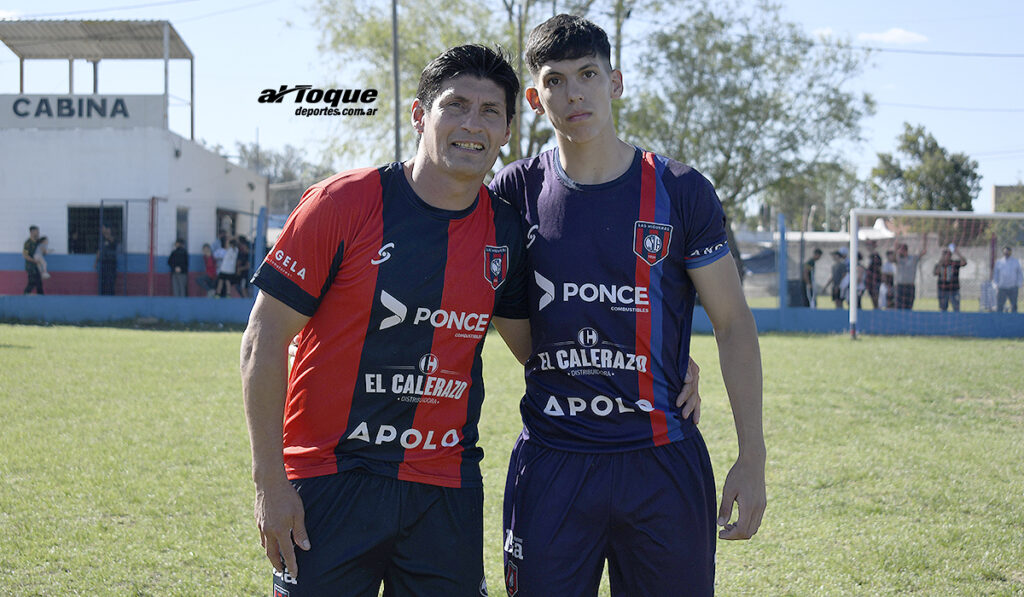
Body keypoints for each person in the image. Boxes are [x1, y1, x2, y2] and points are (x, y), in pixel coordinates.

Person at [240, 45, 535, 597]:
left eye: (490, 111)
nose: (472, 124)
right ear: (421, 115)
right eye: (455, 105)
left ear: (508, 130)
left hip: (444, 488)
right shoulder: (344, 203)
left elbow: (537, 351)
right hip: (330, 479)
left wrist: (662, 365)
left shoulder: (506, 232)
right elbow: (264, 338)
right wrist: (269, 483)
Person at [488, 15, 764, 597]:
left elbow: (734, 323)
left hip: (660, 462)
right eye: (556, 81)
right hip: (554, 460)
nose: (574, 93)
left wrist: (752, 455)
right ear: (535, 99)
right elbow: (508, 320)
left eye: (588, 74)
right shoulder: (510, 194)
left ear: (615, 81)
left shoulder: (680, 190)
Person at [894, 237, 927, 310]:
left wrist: (925, 239)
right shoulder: (898, 259)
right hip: (900, 286)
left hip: (910, 286)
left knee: (909, 307)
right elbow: (894, 257)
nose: (899, 252)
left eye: (901, 250)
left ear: (905, 250)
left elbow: (924, 252)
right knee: (898, 307)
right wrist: (895, 246)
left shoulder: (913, 258)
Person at [933, 244, 967, 312]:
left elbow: (964, 263)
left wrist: (957, 253)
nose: (947, 257)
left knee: (956, 308)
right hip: (943, 290)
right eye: (945, 255)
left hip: (954, 290)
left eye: (948, 255)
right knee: (943, 309)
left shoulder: (954, 263)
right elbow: (936, 273)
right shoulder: (939, 264)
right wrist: (941, 262)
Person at [993, 245, 1023, 313]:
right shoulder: (999, 262)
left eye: (1008, 251)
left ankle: (1014, 320)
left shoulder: (1015, 261)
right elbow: (996, 274)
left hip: (1013, 287)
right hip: (1002, 287)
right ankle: (999, 320)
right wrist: (996, 284)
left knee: (1014, 305)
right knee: (1000, 305)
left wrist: (1019, 284)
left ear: (1010, 252)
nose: (1006, 253)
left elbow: (1019, 273)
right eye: (1005, 251)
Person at [22, 225, 45, 294]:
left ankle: (41, 298)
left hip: (37, 266)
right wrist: (34, 261)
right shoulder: (27, 243)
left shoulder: (38, 242)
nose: (38, 233)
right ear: (32, 232)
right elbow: (25, 255)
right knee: (32, 282)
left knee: (39, 283)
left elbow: (42, 251)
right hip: (31, 267)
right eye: (37, 231)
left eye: (38, 231)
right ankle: (25, 295)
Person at [96, 225, 118, 295]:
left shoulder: (113, 238)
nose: (102, 230)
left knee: (110, 281)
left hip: (111, 263)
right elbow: (99, 251)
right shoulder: (101, 239)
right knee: (102, 281)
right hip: (103, 262)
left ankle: (111, 296)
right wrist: (96, 262)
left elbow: (113, 241)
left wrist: (106, 234)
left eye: (103, 228)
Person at [864, 241, 882, 309]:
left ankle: (877, 309)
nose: (868, 247)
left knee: (875, 296)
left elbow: (878, 268)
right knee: (872, 297)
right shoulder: (869, 256)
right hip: (870, 280)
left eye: (869, 245)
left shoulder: (876, 256)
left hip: (875, 280)